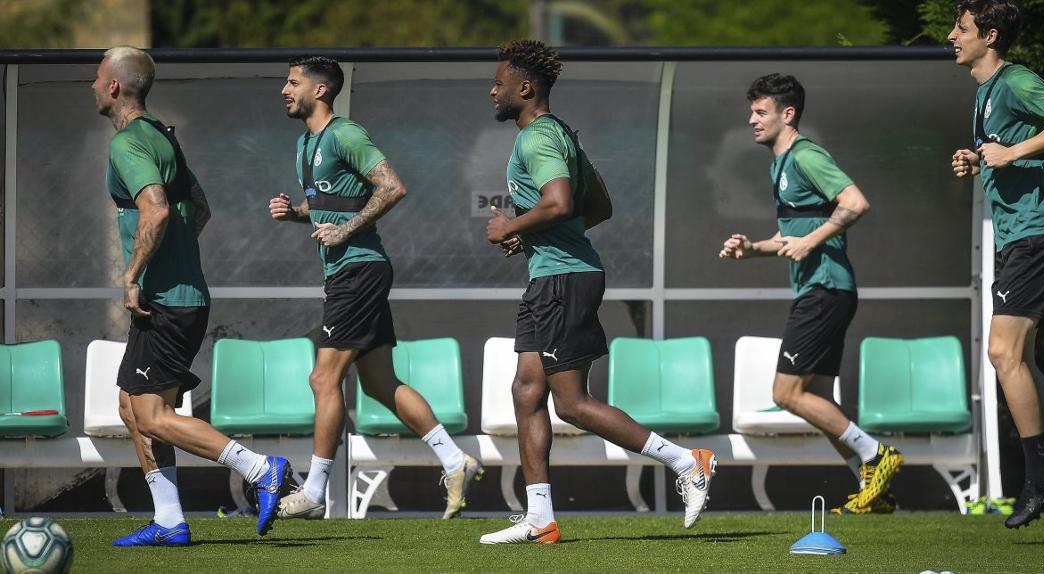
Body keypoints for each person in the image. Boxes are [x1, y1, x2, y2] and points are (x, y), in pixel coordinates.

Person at [480, 40, 716, 544]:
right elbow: (600, 207)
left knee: (570, 404)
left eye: (500, 83)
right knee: (526, 390)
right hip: (553, 275)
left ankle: (686, 462)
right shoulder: (562, 134)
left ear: (525, 89)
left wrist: (512, 226)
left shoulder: (537, 139)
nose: (492, 89)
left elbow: (561, 200)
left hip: (564, 279)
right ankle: (540, 516)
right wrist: (533, 233)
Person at [268, 56, 481, 520]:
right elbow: (334, 204)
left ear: (321, 90)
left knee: (323, 378)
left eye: (292, 82)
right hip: (347, 271)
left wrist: (345, 233)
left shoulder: (346, 134)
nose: (284, 89)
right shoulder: (306, 143)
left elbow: (392, 187)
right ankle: (453, 458)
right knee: (381, 383)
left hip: (358, 271)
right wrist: (297, 213)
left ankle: (314, 490)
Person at [94, 46, 291, 545]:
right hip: (180, 296)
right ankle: (168, 520)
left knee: (153, 415)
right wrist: (175, 256)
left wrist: (134, 274)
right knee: (129, 405)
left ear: (114, 86)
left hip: (167, 301)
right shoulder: (162, 136)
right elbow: (198, 210)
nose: (92, 86)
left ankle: (262, 469)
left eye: (97, 78)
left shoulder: (127, 144)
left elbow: (157, 212)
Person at [947, 0, 1044, 533]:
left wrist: (1011, 155)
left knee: (1000, 352)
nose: (951, 35)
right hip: (1020, 240)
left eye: (961, 28)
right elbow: (1006, 149)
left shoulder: (1013, 80)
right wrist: (979, 158)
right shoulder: (985, 95)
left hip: (1036, 236)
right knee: (1023, 364)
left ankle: (1039, 477)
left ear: (989, 36)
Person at [718, 73, 903, 515]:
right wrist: (752, 250)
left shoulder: (806, 155)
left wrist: (813, 239)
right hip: (819, 289)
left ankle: (877, 456)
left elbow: (856, 202)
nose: (751, 120)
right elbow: (791, 238)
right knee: (818, 398)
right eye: (751, 111)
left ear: (788, 114)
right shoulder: (779, 165)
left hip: (825, 289)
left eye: (760, 112)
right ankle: (874, 488)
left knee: (787, 393)